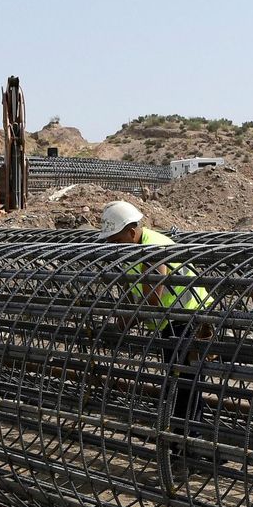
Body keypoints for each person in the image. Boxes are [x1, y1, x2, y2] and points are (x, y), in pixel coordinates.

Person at [98, 200, 214, 472]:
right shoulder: (131, 252)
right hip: (171, 324)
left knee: (185, 386)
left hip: (190, 319)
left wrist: (130, 317)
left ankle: (189, 450)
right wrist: (121, 318)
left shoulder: (152, 249)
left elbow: (153, 298)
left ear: (131, 231)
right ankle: (190, 446)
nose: (113, 246)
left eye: (116, 240)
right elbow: (132, 291)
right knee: (180, 386)